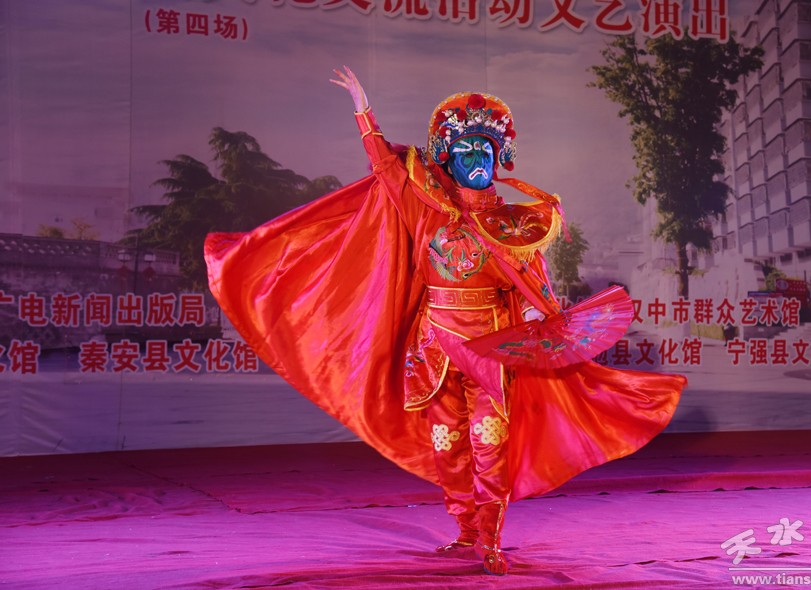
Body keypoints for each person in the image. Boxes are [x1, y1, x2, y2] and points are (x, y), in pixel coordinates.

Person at [205, 67, 686, 576]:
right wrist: (364, 111)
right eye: (466, 151)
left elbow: (536, 289)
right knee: (448, 447)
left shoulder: (517, 224)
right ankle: (465, 532)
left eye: (485, 151)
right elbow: (385, 166)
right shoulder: (426, 211)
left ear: (499, 159)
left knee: (489, 444)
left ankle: (491, 539)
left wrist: (540, 318)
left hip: (493, 351)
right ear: (449, 160)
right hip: (434, 348)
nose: (476, 160)